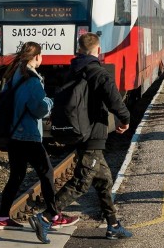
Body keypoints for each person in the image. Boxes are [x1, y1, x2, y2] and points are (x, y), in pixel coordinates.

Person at [29, 33, 132, 242]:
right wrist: (125, 120)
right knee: (81, 182)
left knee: (104, 180)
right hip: (93, 134)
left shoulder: (73, 71)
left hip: (79, 131)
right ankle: (47, 217)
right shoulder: (99, 73)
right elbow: (115, 100)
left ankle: (112, 225)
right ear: (98, 50)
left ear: (79, 49)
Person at [0, 42, 75, 238]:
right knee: (46, 173)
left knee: (17, 175)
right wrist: (51, 101)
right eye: (41, 56)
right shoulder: (32, 80)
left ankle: (2, 218)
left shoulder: (14, 76)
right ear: (36, 57)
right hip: (28, 135)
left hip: (14, 134)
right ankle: (54, 216)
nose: (42, 59)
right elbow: (38, 108)